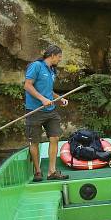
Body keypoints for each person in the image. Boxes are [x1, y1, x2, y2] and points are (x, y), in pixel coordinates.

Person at [24, 44, 69, 182]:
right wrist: (42, 99)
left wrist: (59, 99)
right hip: (34, 111)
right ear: (52, 55)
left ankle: (52, 171)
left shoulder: (52, 71)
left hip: (50, 111)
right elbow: (27, 85)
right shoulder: (36, 66)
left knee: (55, 137)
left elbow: (48, 91)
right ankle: (38, 172)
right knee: (35, 142)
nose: (60, 59)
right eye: (59, 56)